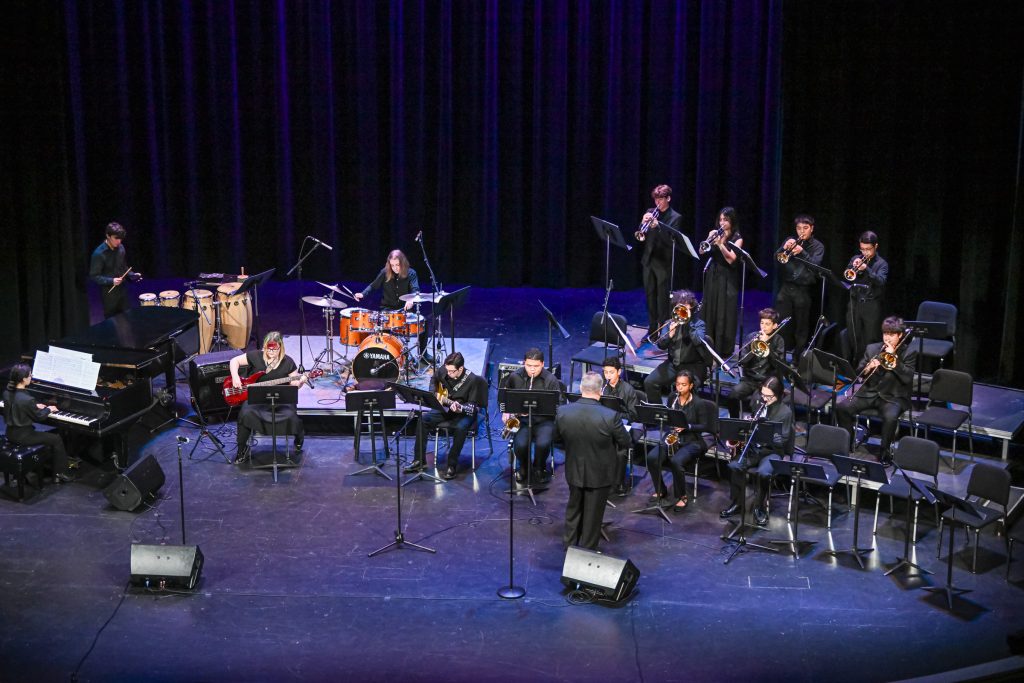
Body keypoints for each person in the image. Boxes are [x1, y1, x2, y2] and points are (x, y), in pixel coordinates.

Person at [554, 372, 631, 550]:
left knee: (573, 509)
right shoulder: (610, 416)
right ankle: (586, 551)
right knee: (593, 516)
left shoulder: (563, 411)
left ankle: (569, 547)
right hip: (600, 474)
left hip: (574, 470)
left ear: (581, 388)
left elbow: (556, 438)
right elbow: (625, 442)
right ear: (600, 391)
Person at [836, 316, 915, 464]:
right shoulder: (872, 348)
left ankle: (884, 453)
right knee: (842, 407)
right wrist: (868, 368)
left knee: (890, 418)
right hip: (869, 393)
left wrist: (894, 360)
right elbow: (858, 373)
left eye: (892, 335)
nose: (888, 338)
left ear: (900, 335)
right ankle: (849, 442)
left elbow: (907, 378)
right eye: (886, 334)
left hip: (893, 397)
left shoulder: (908, 352)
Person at [720, 376, 794, 527]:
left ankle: (759, 507)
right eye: (763, 394)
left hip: (772, 451)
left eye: (768, 396)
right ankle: (737, 503)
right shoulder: (758, 401)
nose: (764, 398)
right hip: (755, 448)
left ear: (778, 395)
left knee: (764, 473)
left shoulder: (785, 412)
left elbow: (784, 439)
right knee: (734, 466)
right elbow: (753, 419)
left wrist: (766, 431)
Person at [404, 352, 487, 480]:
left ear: (460, 369)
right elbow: (434, 379)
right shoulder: (445, 369)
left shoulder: (472, 380)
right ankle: (419, 460)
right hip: (446, 408)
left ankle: (451, 465)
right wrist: (434, 392)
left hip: (464, 411)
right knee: (424, 419)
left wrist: (460, 407)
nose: (448, 373)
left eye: (452, 371)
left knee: (461, 428)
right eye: (447, 370)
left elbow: (473, 405)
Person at [230, 332, 308, 462]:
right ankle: (242, 449)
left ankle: (299, 438)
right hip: (256, 400)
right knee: (245, 414)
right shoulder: (255, 356)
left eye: (274, 349)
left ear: (280, 347)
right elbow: (234, 361)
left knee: (291, 416)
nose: (271, 351)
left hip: (281, 401)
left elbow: (294, 384)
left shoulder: (288, 361)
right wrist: (235, 377)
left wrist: (301, 381)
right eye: (268, 348)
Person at [646, 371, 714, 513]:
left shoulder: (698, 403)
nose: (680, 388)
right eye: (677, 384)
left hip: (692, 440)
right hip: (673, 436)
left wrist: (687, 426)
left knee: (676, 461)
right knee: (652, 457)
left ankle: (682, 496)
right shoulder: (673, 397)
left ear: (690, 386)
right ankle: (661, 490)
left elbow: (705, 426)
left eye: (683, 385)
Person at [354, 249, 431, 362]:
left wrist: (411, 301)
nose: (395, 268)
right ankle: (385, 355)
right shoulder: (385, 272)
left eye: (397, 265)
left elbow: (415, 290)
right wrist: (362, 294)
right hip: (387, 310)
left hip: (405, 310)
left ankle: (424, 355)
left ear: (403, 263)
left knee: (424, 322)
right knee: (383, 334)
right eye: (392, 265)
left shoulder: (411, 273)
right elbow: (373, 285)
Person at [500, 348, 563, 486]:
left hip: (544, 421)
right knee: (520, 444)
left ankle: (539, 467)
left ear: (542, 364)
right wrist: (506, 412)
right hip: (522, 420)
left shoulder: (550, 380)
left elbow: (559, 405)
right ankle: (524, 467)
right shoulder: (515, 377)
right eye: (529, 366)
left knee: (543, 443)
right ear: (524, 363)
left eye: (536, 366)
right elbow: (505, 397)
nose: (532, 370)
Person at [3, 364, 75, 482]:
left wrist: (34, 406)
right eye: (30, 375)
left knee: (50, 435)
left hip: (10, 433)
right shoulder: (27, 399)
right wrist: (49, 409)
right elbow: (39, 417)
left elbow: (18, 405)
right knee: (56, 438)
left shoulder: (7, 392)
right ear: (23, 379)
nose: (31, 377)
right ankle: (61, 473)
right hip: (24, 436)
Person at [636, 184, 684, 339]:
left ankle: (662, 330)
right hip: (648, 260)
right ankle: (651, 329)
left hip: (663, 262)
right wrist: (642, 223)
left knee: (662, 298)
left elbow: (672, 241)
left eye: (661, 199)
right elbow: (642, 233)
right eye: (656, 199)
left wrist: (658, 226)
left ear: (668, 198)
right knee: (650, 295)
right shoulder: (651, 212)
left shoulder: (675, 217)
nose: (657, 203)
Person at [642, 289, 708, 404]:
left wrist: (688, 323)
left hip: (693, 366)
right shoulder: (670, 323)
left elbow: (698, 341)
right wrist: (669, 335)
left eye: (685, 308)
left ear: (691, 308)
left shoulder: (699, 324)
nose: (682, 311)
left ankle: (685, 419)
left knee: (685, 390)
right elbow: (661, 345)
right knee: (650, 382)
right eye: (679, 307)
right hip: (673, 364)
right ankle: (659, 415)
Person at [774, 214, 825, 353]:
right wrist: (783, 248)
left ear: (812, 228)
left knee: (801, 328)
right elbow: (777, 258)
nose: (801, 232)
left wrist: (802, 252)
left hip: (803, 290)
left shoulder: (818, 246)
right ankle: (779, 356)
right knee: (781, 324)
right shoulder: (790, 240)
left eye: (805, 228)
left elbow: (816, 266)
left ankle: (797, 359)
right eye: (799, 228)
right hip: (786, 288)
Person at [702, 207, 743, 360]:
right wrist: (708, 240)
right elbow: (702, 251)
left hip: (727, 278)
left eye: (725, 220)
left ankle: (722, 349)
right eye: (720, 219)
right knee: (710, 308)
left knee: (723, 312)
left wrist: (720, 244)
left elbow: (731, 259)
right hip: (713, 275)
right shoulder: (715, 233)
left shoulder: (737, 238)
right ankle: (707, 345)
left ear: (731, 221)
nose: (722, 223)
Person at [730, 308, 786, 416]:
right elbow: (742, 361)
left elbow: (779, 365)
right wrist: (754, 348)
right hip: (750, 379)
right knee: (733, 395)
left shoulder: (779, 341)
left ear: (774, 326)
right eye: (762, 323)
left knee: (756, 402)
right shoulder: (752, 337)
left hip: (767, 382)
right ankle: (735, 422)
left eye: (767, 324)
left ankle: (753, 426)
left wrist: (768, 349)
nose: (763, 327)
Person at [844, 230, 889, 365]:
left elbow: (881, 281)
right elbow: (847, 275)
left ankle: (869, 367)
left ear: (875, 247)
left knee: (870, 338)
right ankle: (855, 366)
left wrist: (867, 269)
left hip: (871, 305)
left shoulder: (882, 264)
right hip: (855, 303)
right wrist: (853, 267)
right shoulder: (855, 258)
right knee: (853, 336)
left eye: (868, 249)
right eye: (862, 249)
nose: (865, 253)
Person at [601, 356, 639, 495]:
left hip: (622, 427)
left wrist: (614, 416)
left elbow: (633, 415)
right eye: (605, 372)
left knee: (621, 451)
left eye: (611, 372)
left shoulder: (628, 390)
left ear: (619, 371)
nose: (608, 376)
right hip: (604, 426)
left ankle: (618, 483)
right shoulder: (601, 387)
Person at [89, 222, 142, 319]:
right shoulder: (98, 254)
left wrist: (132, 275)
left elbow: (123, 267)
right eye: (116, 238)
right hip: (109, 294)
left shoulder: (121, 248)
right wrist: (111, 281)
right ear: (108, 236)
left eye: (120, 239)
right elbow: (94, 276)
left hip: (123, 291)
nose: (119, 241)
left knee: (127, 320)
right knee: (112, 323)